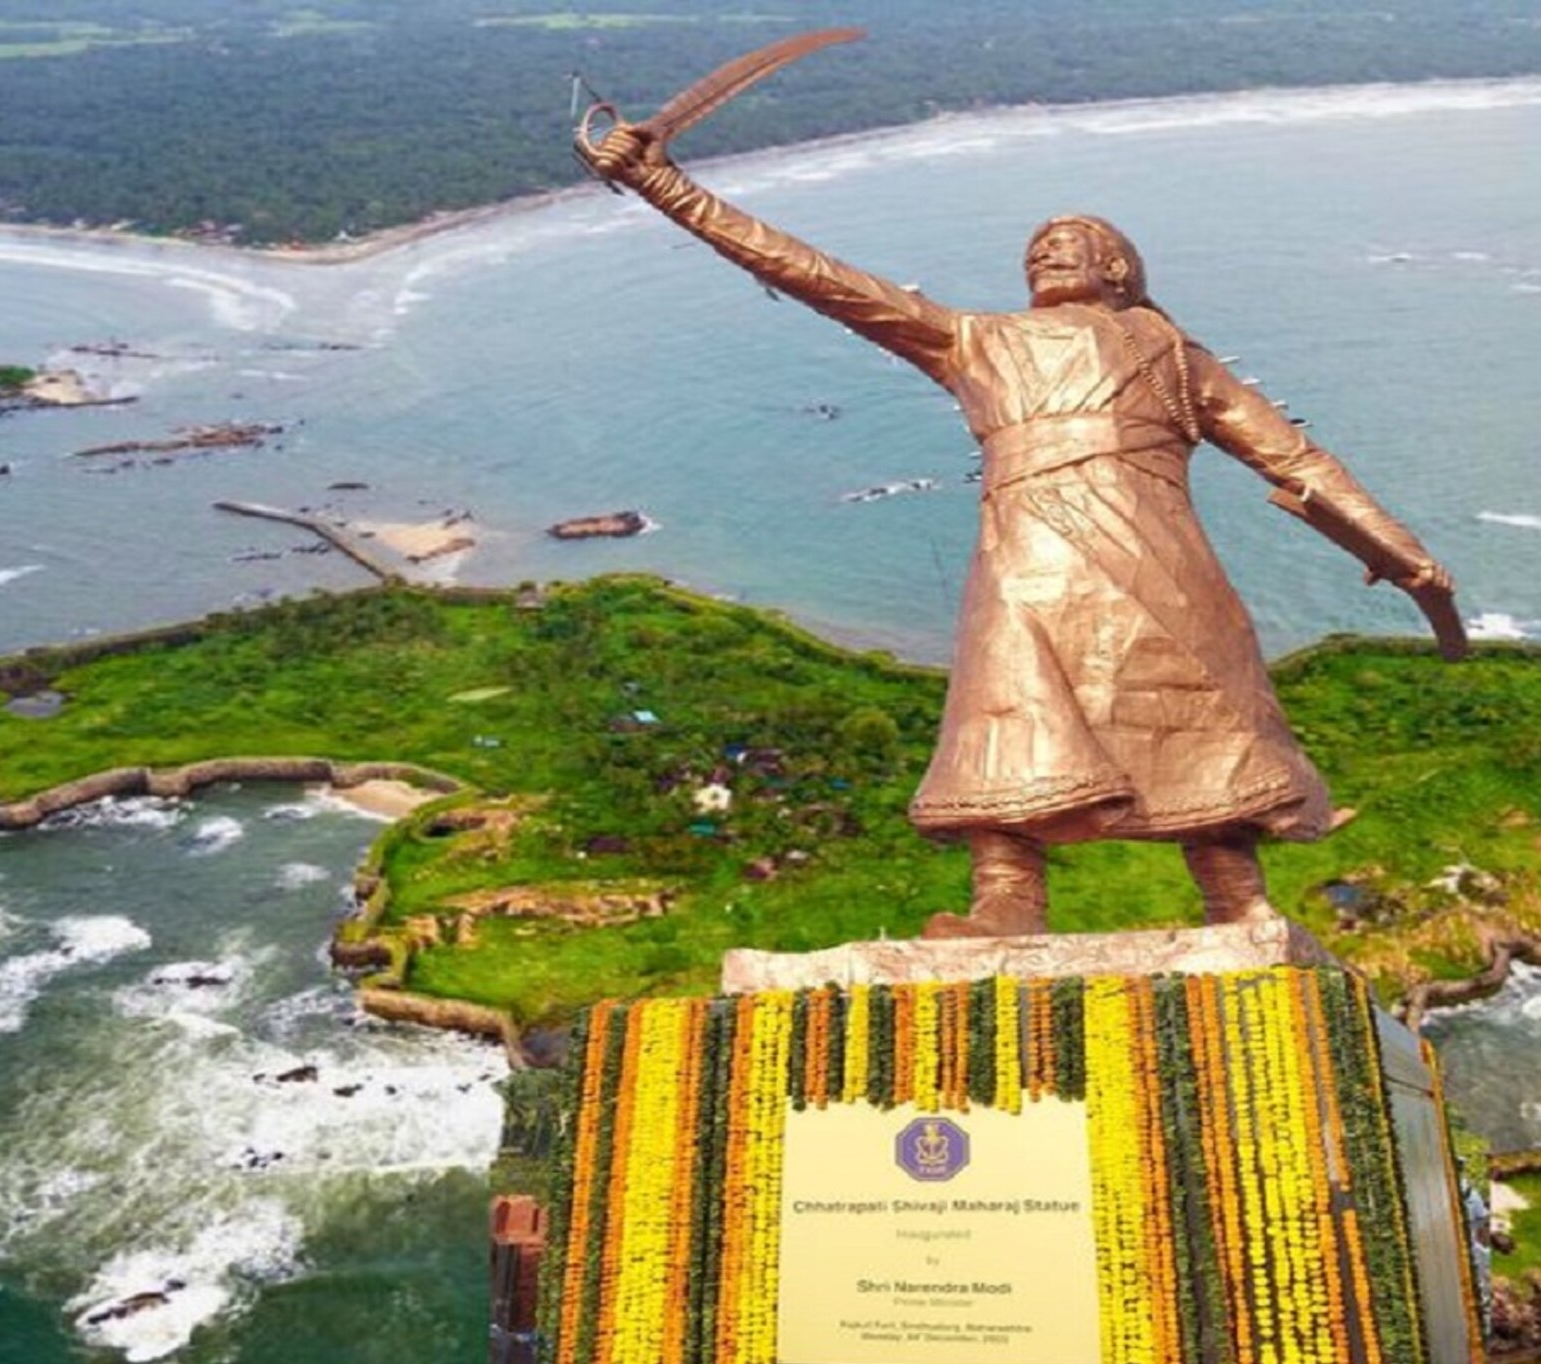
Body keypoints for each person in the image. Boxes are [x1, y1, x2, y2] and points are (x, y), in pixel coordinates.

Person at [589, 128, 1454, 939]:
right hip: (1028, 553)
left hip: (1162, 556)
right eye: (1036, 244)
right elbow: (815, 274)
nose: (1044, 249)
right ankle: (1006, 899)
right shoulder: (977, 341)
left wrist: (1402, 554)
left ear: (1118, 268)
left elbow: (1295, 458)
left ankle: (1239, 902)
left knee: (1205, 714)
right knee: (1006, 706)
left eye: (1068, 238)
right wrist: (661, 183)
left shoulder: (1174, 358)